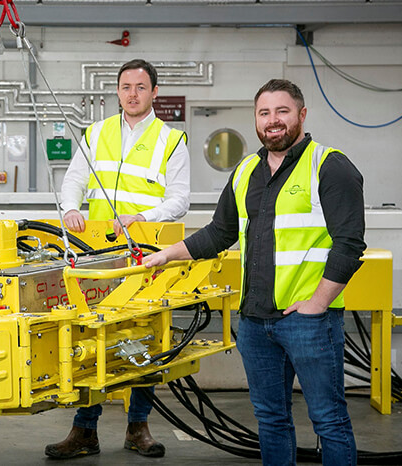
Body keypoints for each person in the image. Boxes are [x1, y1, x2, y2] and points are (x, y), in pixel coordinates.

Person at [143, 79, 365, 466]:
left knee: (328, 420)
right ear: (256, 120)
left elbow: (349, 244)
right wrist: (168, 255)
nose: (273, 121)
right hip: (256, 323)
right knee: (271, 420)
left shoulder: (329, 166)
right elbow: (220, 232)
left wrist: (317, 303)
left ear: (301, 115)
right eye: (264, 113)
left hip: (308, 321)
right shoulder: (246, 169)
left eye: (282, 111)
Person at [48, 59, 190, 459]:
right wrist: (70, 208)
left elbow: (180, 200)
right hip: (96, 254)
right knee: (90, 337)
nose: (132, 93)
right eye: (126, 86)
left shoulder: (171, 139)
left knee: (142, 337)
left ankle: (137, 427)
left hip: (146, 254)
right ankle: (84, 431)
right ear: (117, 92)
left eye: (141, 87)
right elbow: (74, 178)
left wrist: (145, 217)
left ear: (154, 93)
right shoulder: (96, 133)